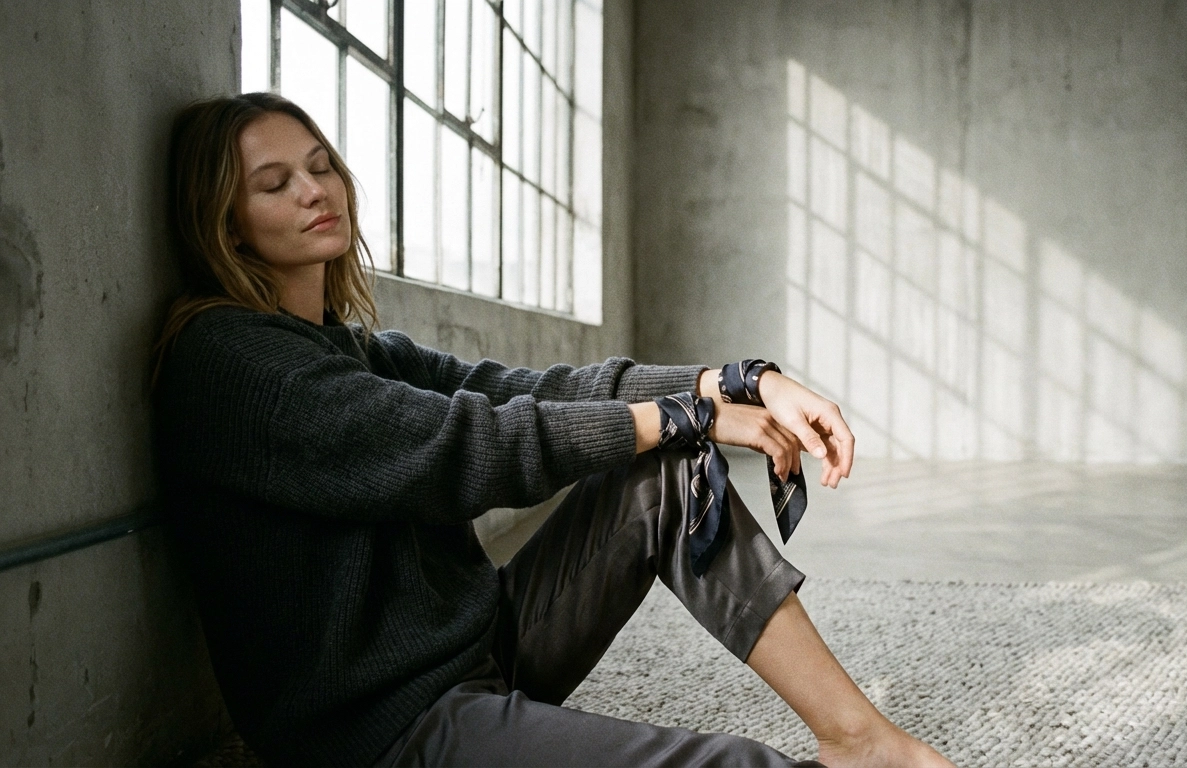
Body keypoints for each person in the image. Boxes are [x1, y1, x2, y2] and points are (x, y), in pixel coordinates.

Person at [152, 92, 956, 768]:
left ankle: (861, 741)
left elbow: (529, 392)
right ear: (226, 223)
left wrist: (737, 381)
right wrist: (689, 416)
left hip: (476, 652)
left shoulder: (359, 349)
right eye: (275, 183)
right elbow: (468, 447)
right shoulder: (229, 361)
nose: (313, 190)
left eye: (320, 165)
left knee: (665, 476)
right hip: (384, 732)